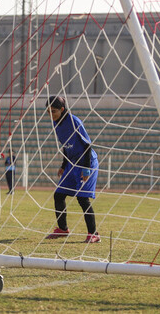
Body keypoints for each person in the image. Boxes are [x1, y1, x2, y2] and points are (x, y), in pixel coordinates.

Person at [45, 96, 100, 243]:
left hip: (86, 163)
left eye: (54, 111)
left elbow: (87, 145)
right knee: (59, 195)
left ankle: (94, 234)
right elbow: (66, 145)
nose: (51, 114)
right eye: (48, 111)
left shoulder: (74, 121)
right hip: (71, 163)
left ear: (62, 109)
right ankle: (63, 229)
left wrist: (86, 169)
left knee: (82, 198)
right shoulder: (56, 123)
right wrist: (63, 166)